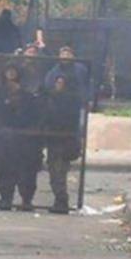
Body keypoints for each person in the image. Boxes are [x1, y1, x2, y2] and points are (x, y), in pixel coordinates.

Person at [0, 64, 41, 211]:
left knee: (26, 172)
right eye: (8, 71)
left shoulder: (27, 96)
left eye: (13, 71)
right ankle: (5, 198)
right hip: (5, 140)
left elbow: (33, 116)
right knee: (4, 170)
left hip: (24, 141)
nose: (11, 75)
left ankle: (26, 200)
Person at [43, 74, 82, 213]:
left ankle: (61, 200)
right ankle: (59, 199)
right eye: (57, 82)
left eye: (61, 83)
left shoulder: (70, 100)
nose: (59, 85)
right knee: (53, 171)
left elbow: (70, 120)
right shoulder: (51, 98)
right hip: (53, 140)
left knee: (59, 172)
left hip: (65, 140)